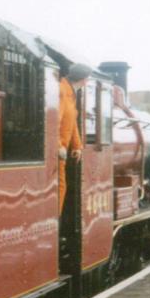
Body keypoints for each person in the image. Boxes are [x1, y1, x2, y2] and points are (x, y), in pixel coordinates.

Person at [58, 63, 90, 213]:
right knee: (60, 186)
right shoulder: (62, 91)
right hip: (57, 153)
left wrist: (77, 146)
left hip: (63, 150)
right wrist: (59, 146)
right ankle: (55, 222)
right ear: (84, 80)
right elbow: (54, 121)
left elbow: (72, 122)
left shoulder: (70, 92)